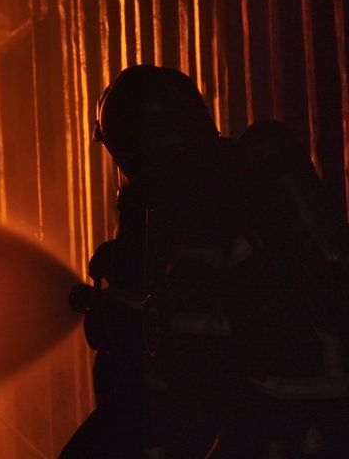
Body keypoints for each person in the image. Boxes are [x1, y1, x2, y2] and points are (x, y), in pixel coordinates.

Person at [62, 65, 349, 457]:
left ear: (129, 149)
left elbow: (196, 342)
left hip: (276, 412)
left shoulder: (192, 200)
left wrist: (120, 315)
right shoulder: (230, 177)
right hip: (302, 403)